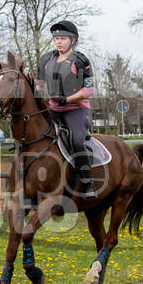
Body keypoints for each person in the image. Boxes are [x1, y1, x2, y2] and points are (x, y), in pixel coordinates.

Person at [35, 20, 97, 198]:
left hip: (76, 110)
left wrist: (66, 99)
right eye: (56, 39)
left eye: (62, 38)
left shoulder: (81, 60)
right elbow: (39, 84)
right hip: (53, 109)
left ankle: (87, 182)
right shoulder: (46, 59)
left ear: (73, 40)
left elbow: (89, 89)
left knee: (77, 141)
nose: (58, 42)